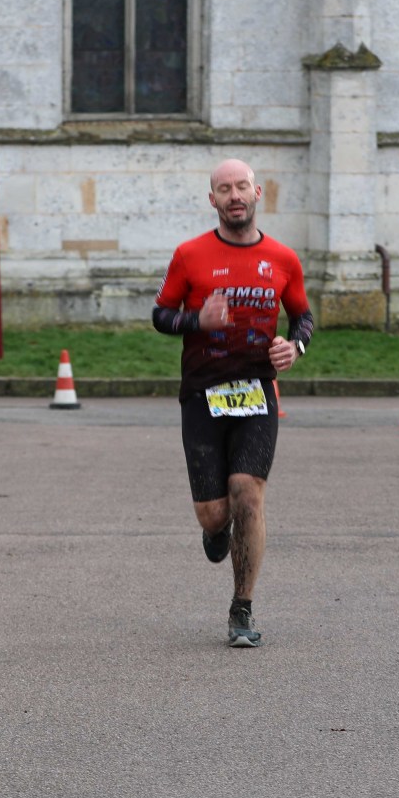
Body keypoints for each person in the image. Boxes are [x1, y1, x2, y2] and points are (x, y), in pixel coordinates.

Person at [151, 160, 314, 648]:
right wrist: (197, 320)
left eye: (242, 186)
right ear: (213, 200)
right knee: (213, 513)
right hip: (202, 393)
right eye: (225, 189)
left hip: (256, 391)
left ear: (257, 192)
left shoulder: (283, 258)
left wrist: (295, 347)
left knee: (248, 492)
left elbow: (303, 317)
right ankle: (216, 531)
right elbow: (161, 315)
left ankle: (242, 608)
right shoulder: (190, 255)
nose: (234, 195)